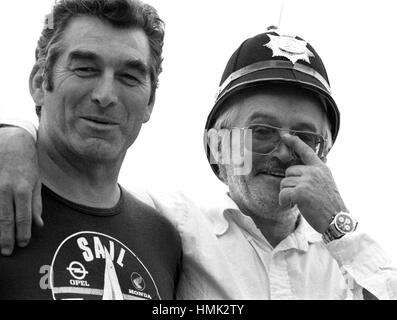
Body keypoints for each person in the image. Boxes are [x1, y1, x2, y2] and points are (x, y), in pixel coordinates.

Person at [1, 26, 397, 299]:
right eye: (261, 132)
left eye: (307, 138)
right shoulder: (167, 224)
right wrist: (14, 134)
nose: (283, 152)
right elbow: (85, 183)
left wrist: (339, 223)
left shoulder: (350, 259)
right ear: (217, 148)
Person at [0, 0, 182, 300]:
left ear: (150, 102)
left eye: (129, 77)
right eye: (85, 69)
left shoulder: (166, 240)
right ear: (39, 82)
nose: (105, 95)